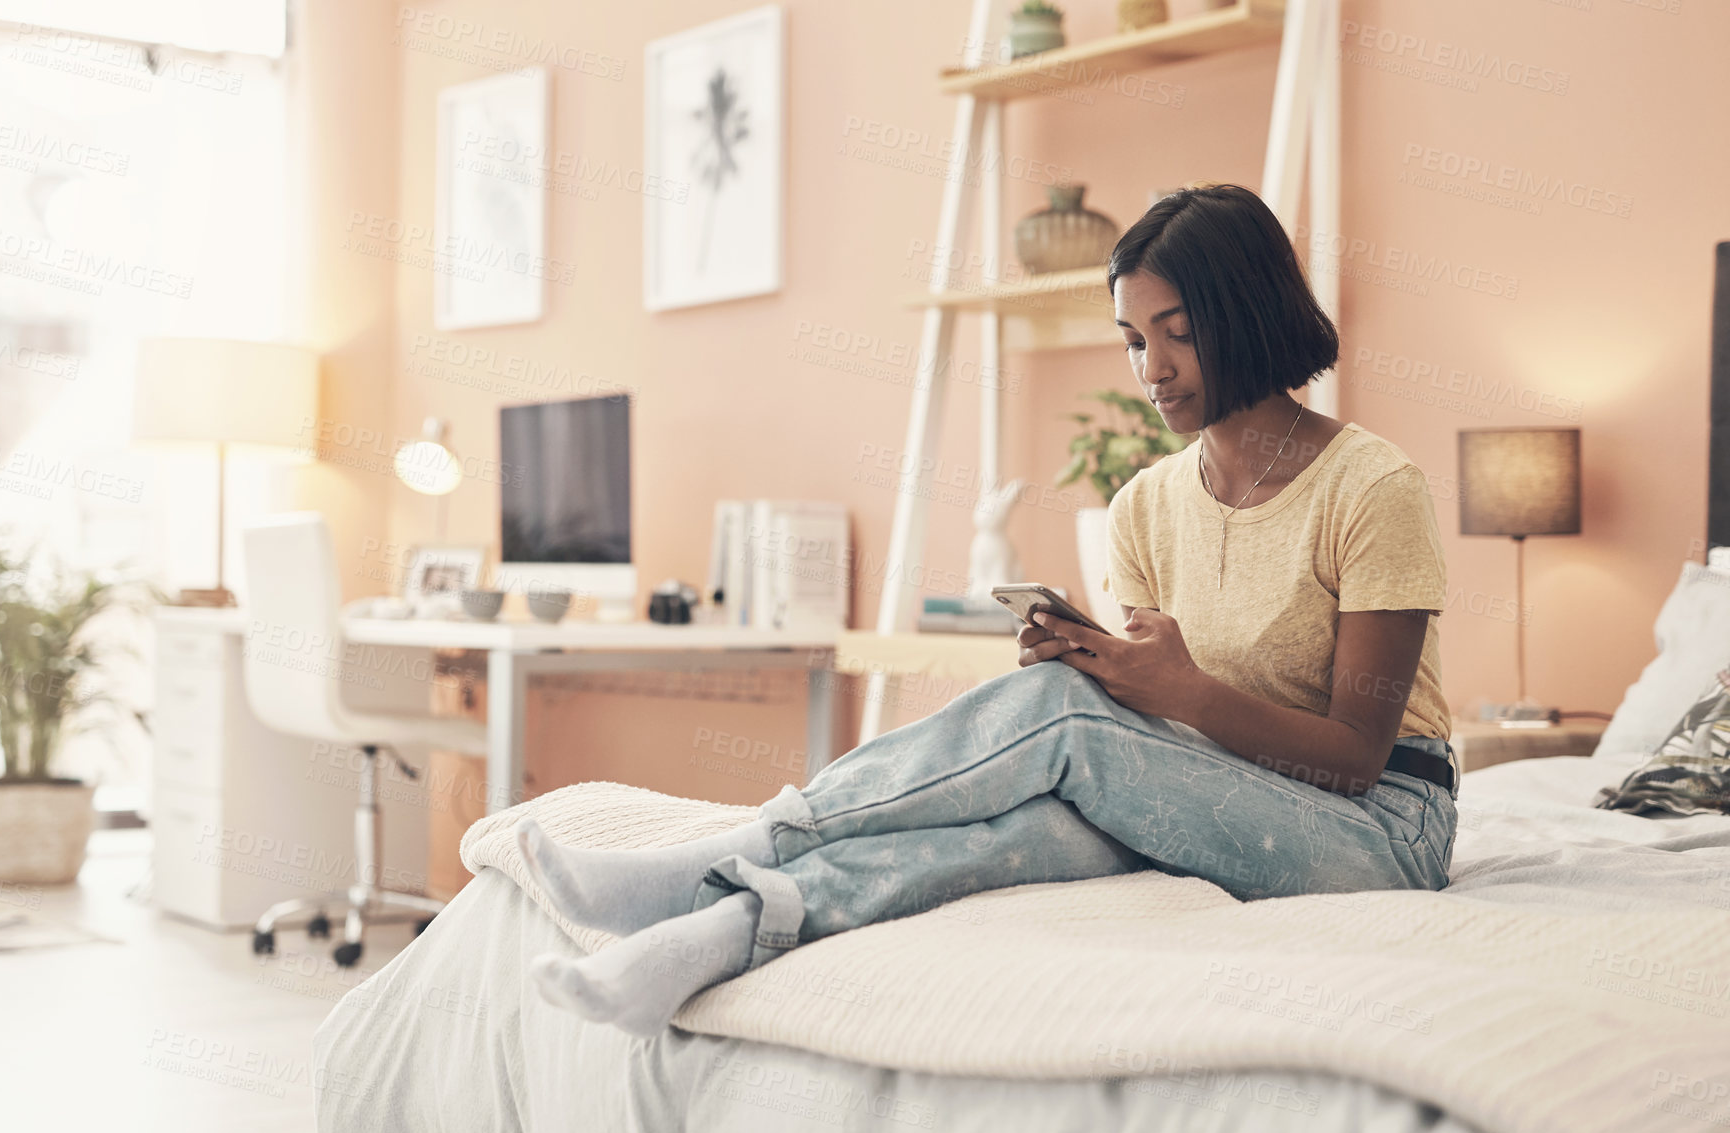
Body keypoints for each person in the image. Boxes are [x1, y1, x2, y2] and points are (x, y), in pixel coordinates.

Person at [514, 184, 1458, 1037]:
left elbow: (1354, 756)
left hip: (1382, 825)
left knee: (1065, 730)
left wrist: (1183, 694)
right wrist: (1112, 675)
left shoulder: (1371, 486)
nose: (1152, 368)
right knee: (1015, 828)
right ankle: (720, 929)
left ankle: (737, 845)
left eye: (1176, 331)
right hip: (1229, 784)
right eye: (1134, 340)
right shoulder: (1146, 505)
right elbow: (1164, 725)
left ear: (1245, 314)